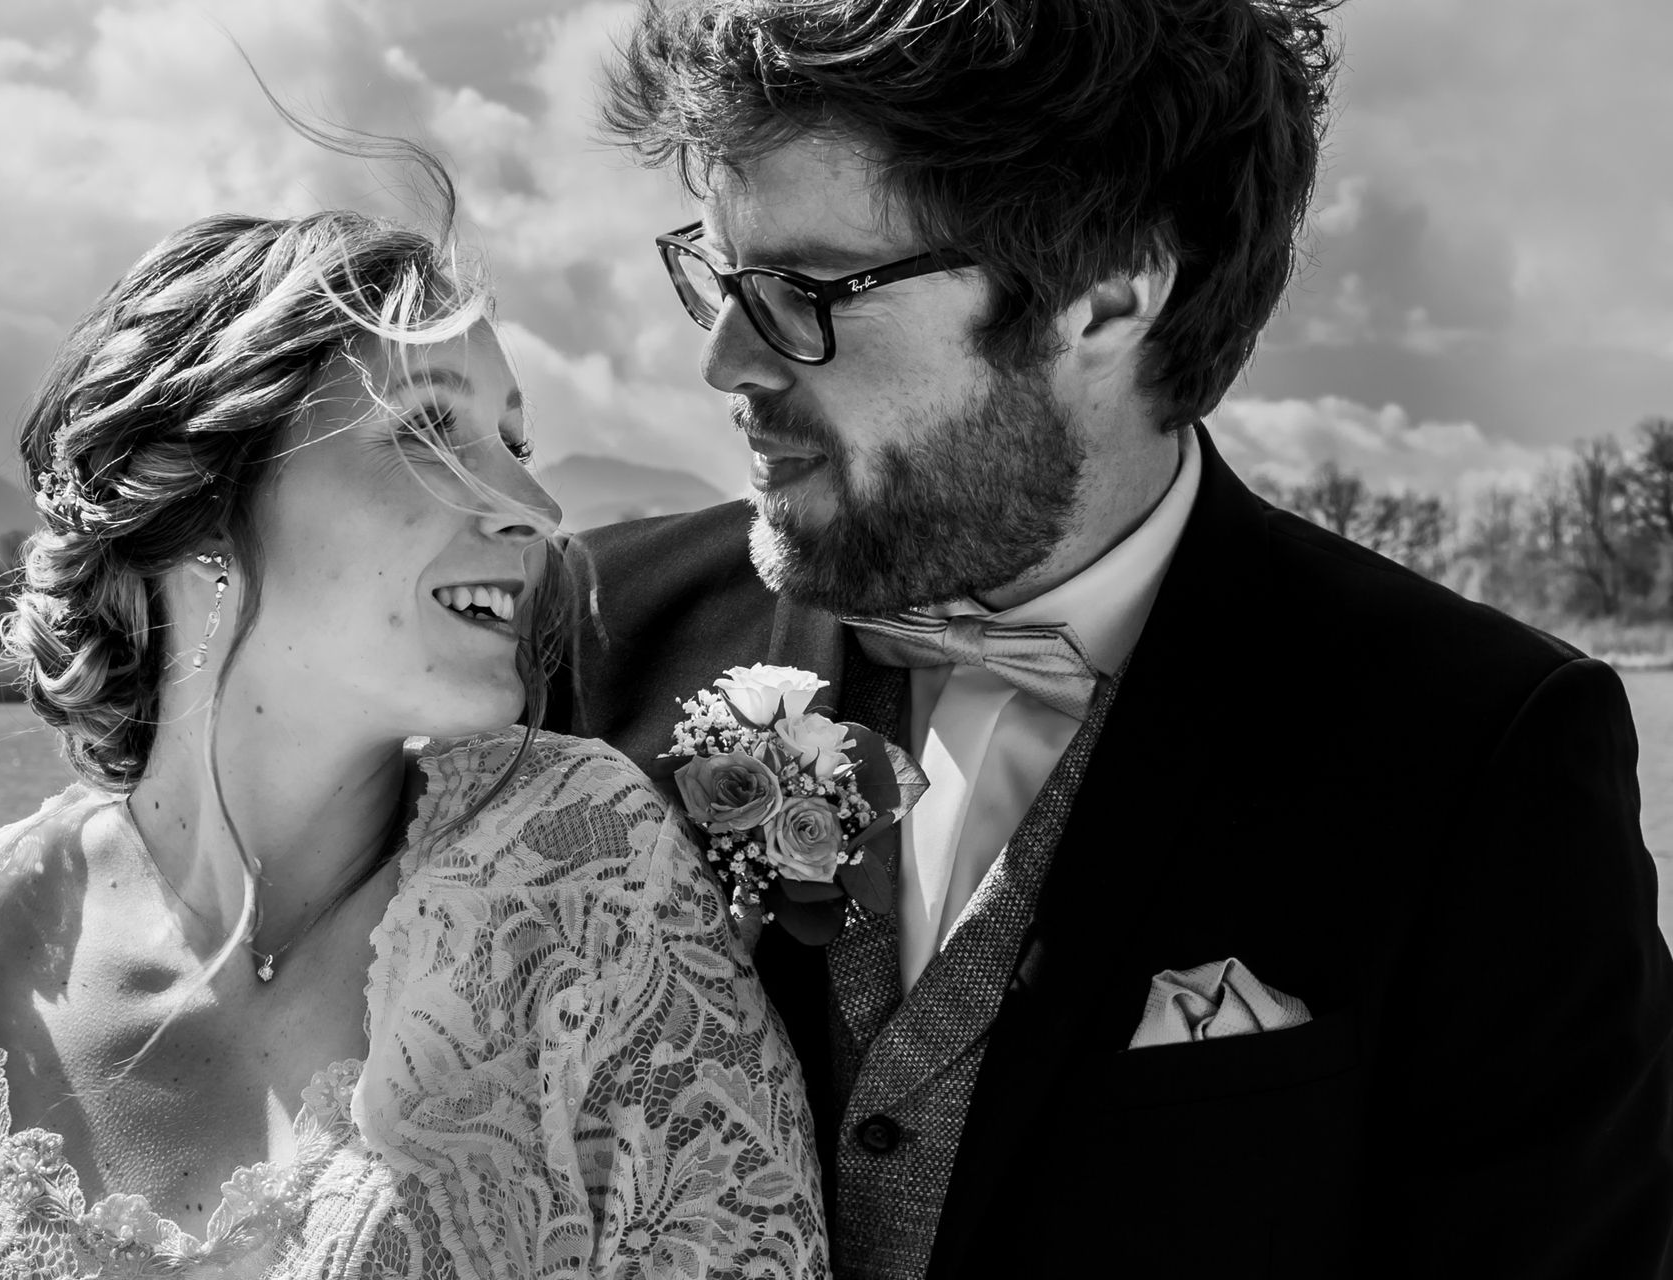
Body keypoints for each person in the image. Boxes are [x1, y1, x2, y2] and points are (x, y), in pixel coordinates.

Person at [553, 0, 1673, 1275]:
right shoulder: (594, 632)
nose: (723, 362)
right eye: (718, 273)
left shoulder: (1479, 754)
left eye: (803, 292)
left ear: (1107, 295)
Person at [0, 173, 825, 1278]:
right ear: (195, 497)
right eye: (429, 427)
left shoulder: (578, 870)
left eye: (515, 445)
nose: (530, 508)